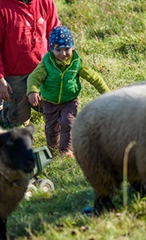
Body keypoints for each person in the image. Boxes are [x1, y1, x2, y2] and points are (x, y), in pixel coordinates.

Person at [0, 0, 61, 127]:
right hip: (15, 75)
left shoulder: (45, 1)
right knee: (18, 122)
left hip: (42, 70)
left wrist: (58, 67)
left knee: (57, 110)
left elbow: (55, 35)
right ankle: (2, 110)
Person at [26, 26, 110, 157]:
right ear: (51, 49)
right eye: (58, 50)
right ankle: (52, 149)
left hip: (70, 100)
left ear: (73, 48)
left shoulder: (76, 62)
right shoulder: (47, 62)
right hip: (49, 101)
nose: (63, 53)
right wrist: (33, 91)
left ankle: (66, 150)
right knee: (51, 127)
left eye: (67, 49)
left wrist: (106, 93)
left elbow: (93, 77)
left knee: (68, 122)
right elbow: (34, 77)